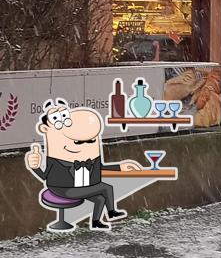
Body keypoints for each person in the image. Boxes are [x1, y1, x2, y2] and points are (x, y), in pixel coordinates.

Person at [25, 99, 143, 231]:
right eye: (78, 142)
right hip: (62, 189)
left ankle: (97, 221)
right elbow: (46, 177)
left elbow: (101, 168)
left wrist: (120, 167)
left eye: (91, 141)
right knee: (105, 188)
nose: (84, 145)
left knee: (99, 197)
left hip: (80, 186)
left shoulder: (91, 158)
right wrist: (34, 167)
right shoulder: (56, 160)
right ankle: (111, 212)